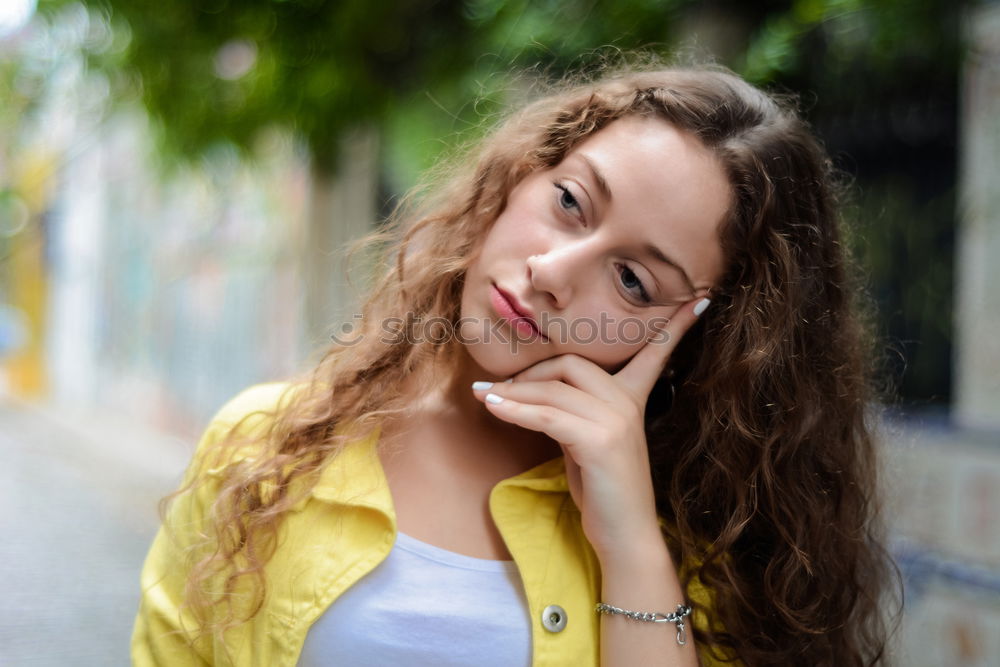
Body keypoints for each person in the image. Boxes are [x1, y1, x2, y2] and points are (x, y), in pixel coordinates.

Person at [132, 62, 897, 666]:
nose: (555, 271)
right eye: (570, 201)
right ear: (521, 174)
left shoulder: (706, 541)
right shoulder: (266, 444)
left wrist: (629, 542)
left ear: (704, 341)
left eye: (633, 280)